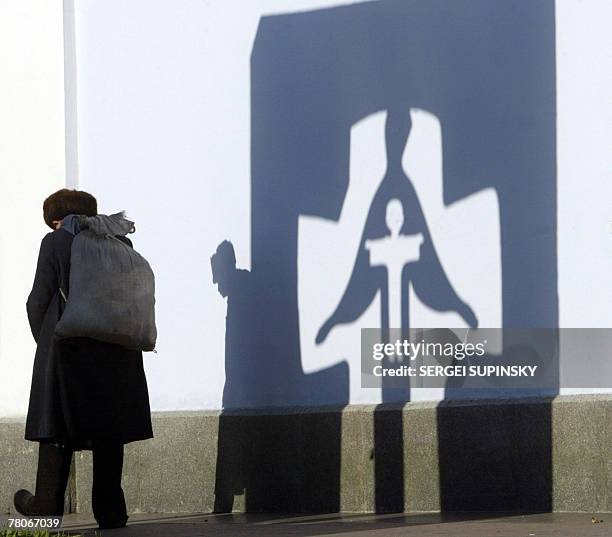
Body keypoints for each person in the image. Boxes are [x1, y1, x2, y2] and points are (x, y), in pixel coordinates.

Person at [14, 189, 153, 529]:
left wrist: (46, 340)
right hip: (118, 354)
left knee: (57, 430)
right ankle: (111, 512)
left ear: (55, 218)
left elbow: (38, 300)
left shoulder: (56, 242)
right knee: (109, 432)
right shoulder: (120, 243)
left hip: (68, 352)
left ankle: (45, 507)